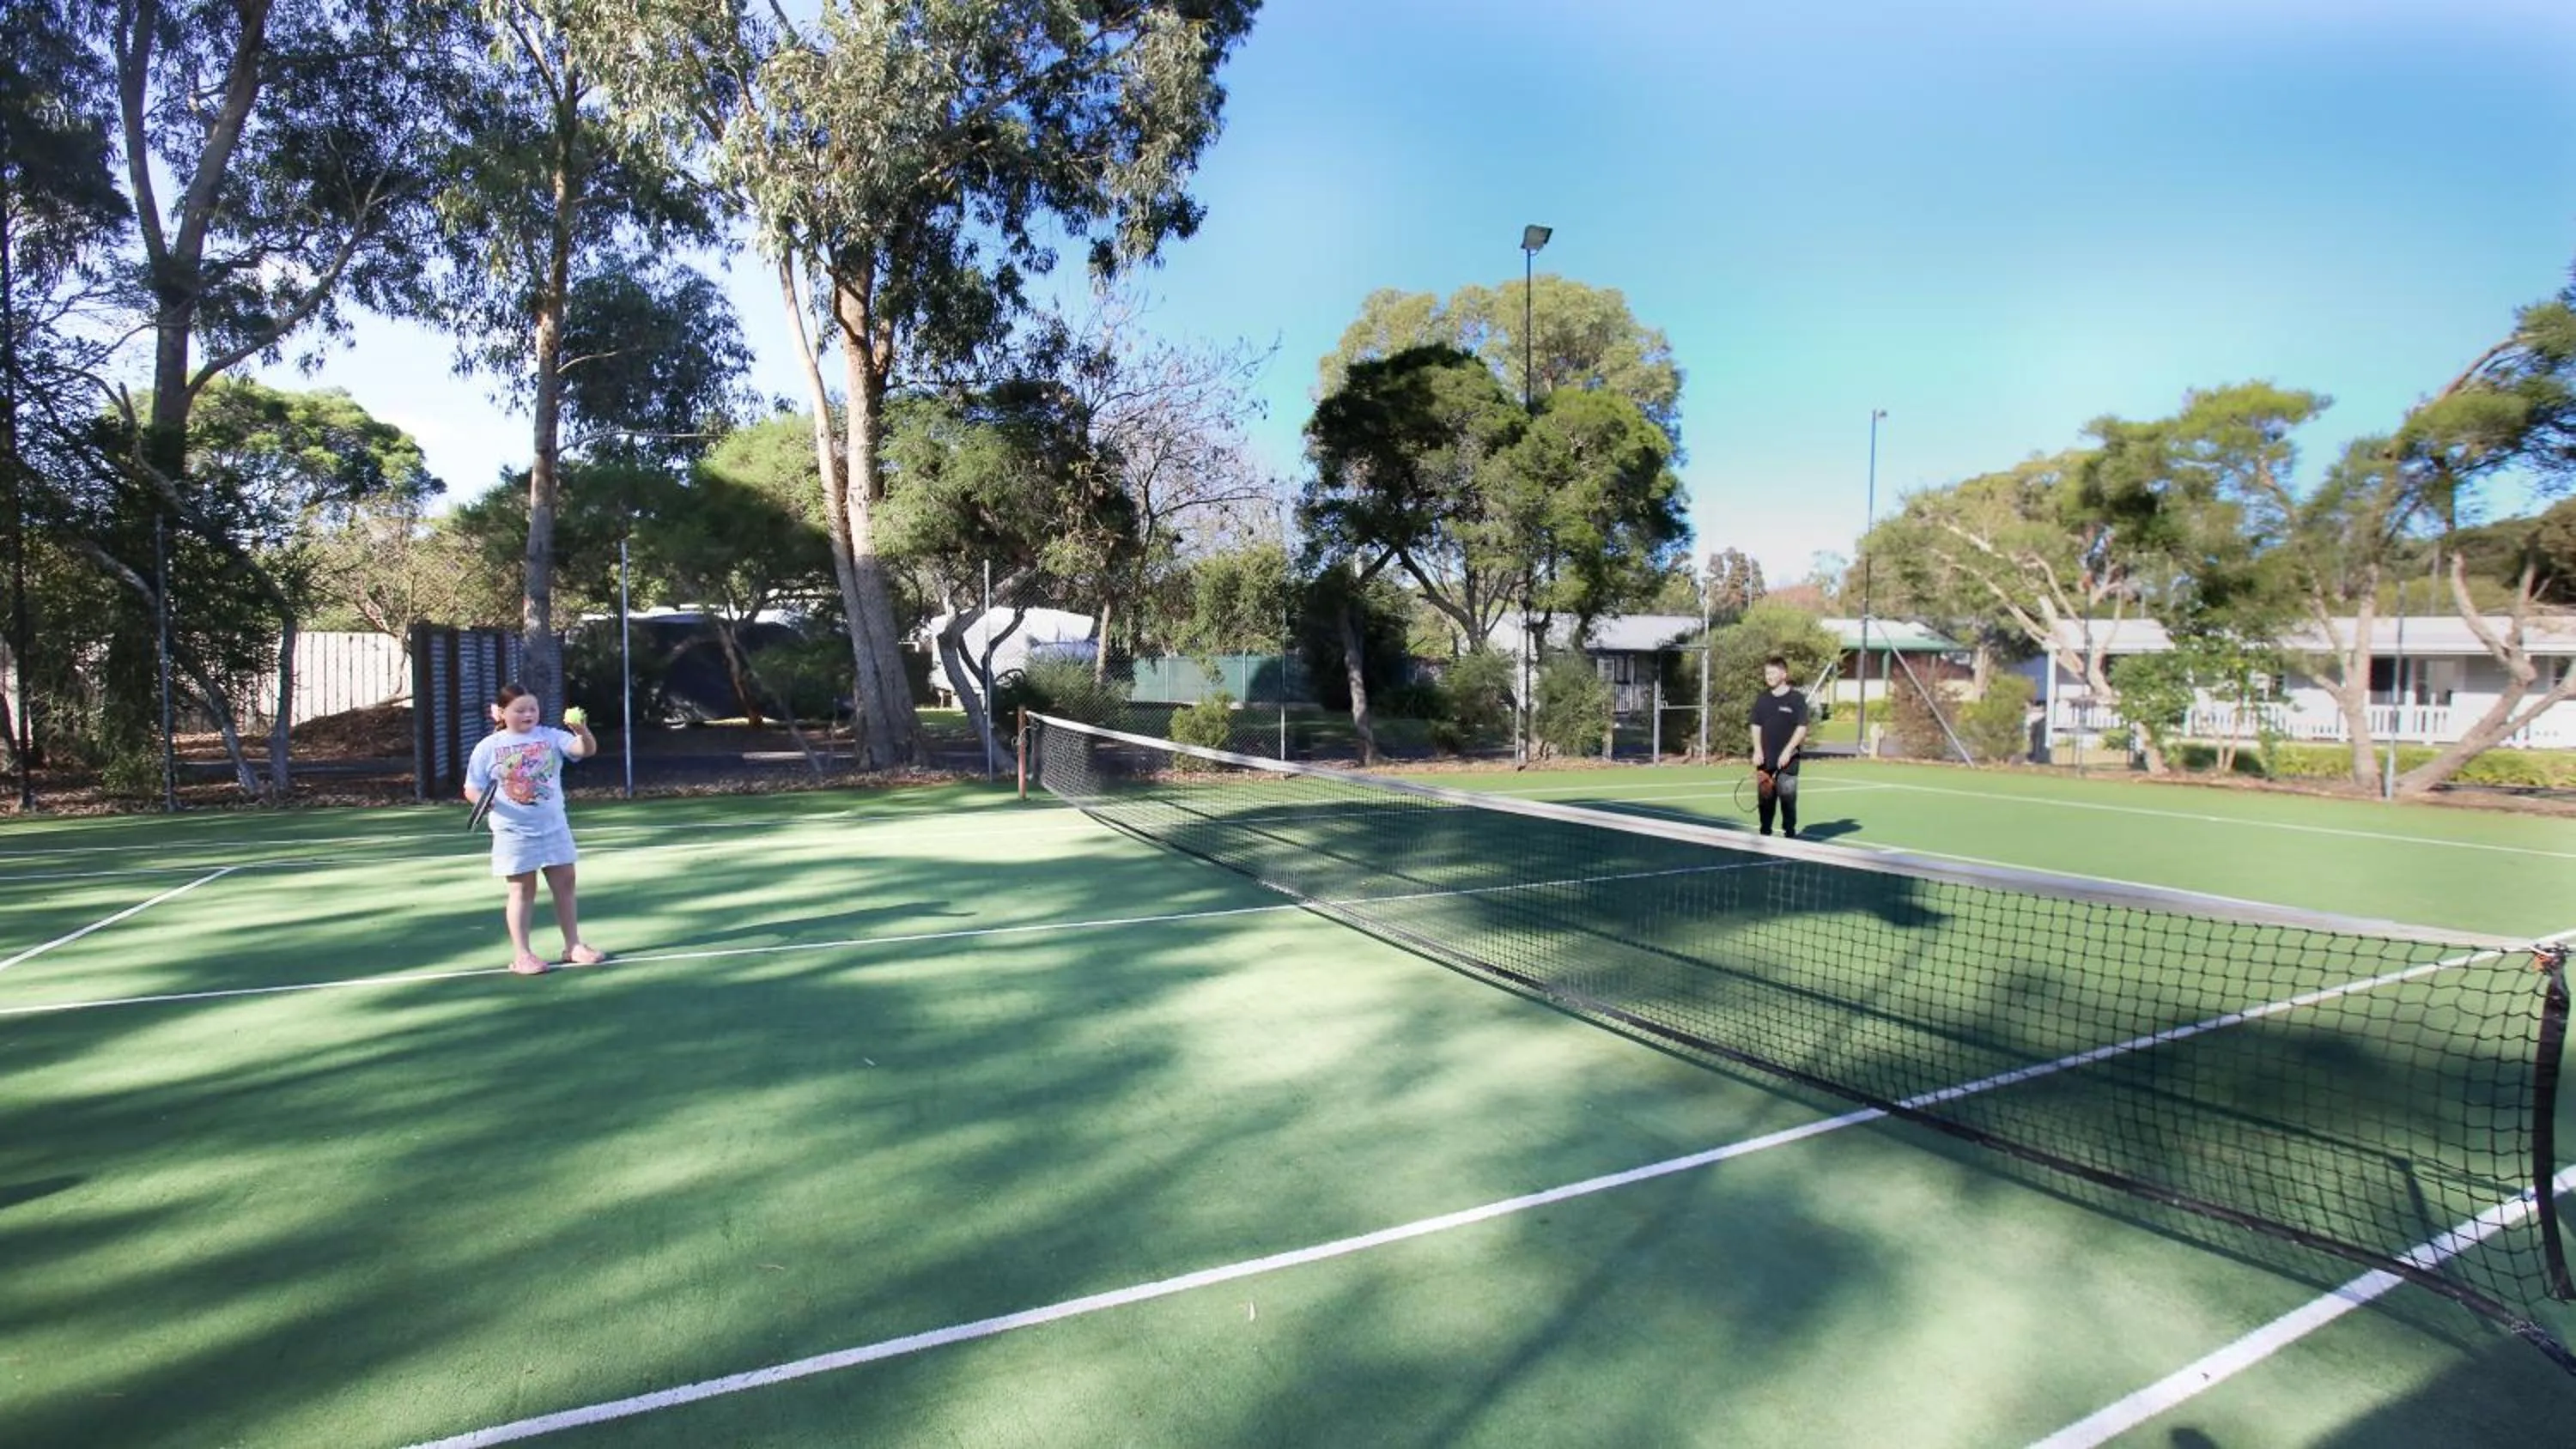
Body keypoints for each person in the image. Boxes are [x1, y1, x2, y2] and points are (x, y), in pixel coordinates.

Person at [465, 683, 606, 974]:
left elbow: (586, 750)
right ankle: (523, 955)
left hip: (554, 826)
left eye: (533, 708)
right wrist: (485, 803)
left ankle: (573, 946)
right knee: (522, 890)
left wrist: (581, 731)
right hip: (513, 833)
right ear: (502, 713)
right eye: (520, 710)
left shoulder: (551, 737)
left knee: (565, 884)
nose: (528, 714)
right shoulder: (488, 747)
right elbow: (471, 788)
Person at [1748, 655, 1808, 839]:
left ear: (1784, 674)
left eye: (1773, 673)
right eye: (1767, 673)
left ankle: (1789, 834)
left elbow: (1802, 727)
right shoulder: (1762, 699)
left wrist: (1788, 750)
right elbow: (1755, 725)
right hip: (1765, 761)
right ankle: (1764, 834)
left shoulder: (1797, 699)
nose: (1769, 676)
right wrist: (1758, 750)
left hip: (1788, 762)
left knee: (1788, 800)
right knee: (1765, 801)